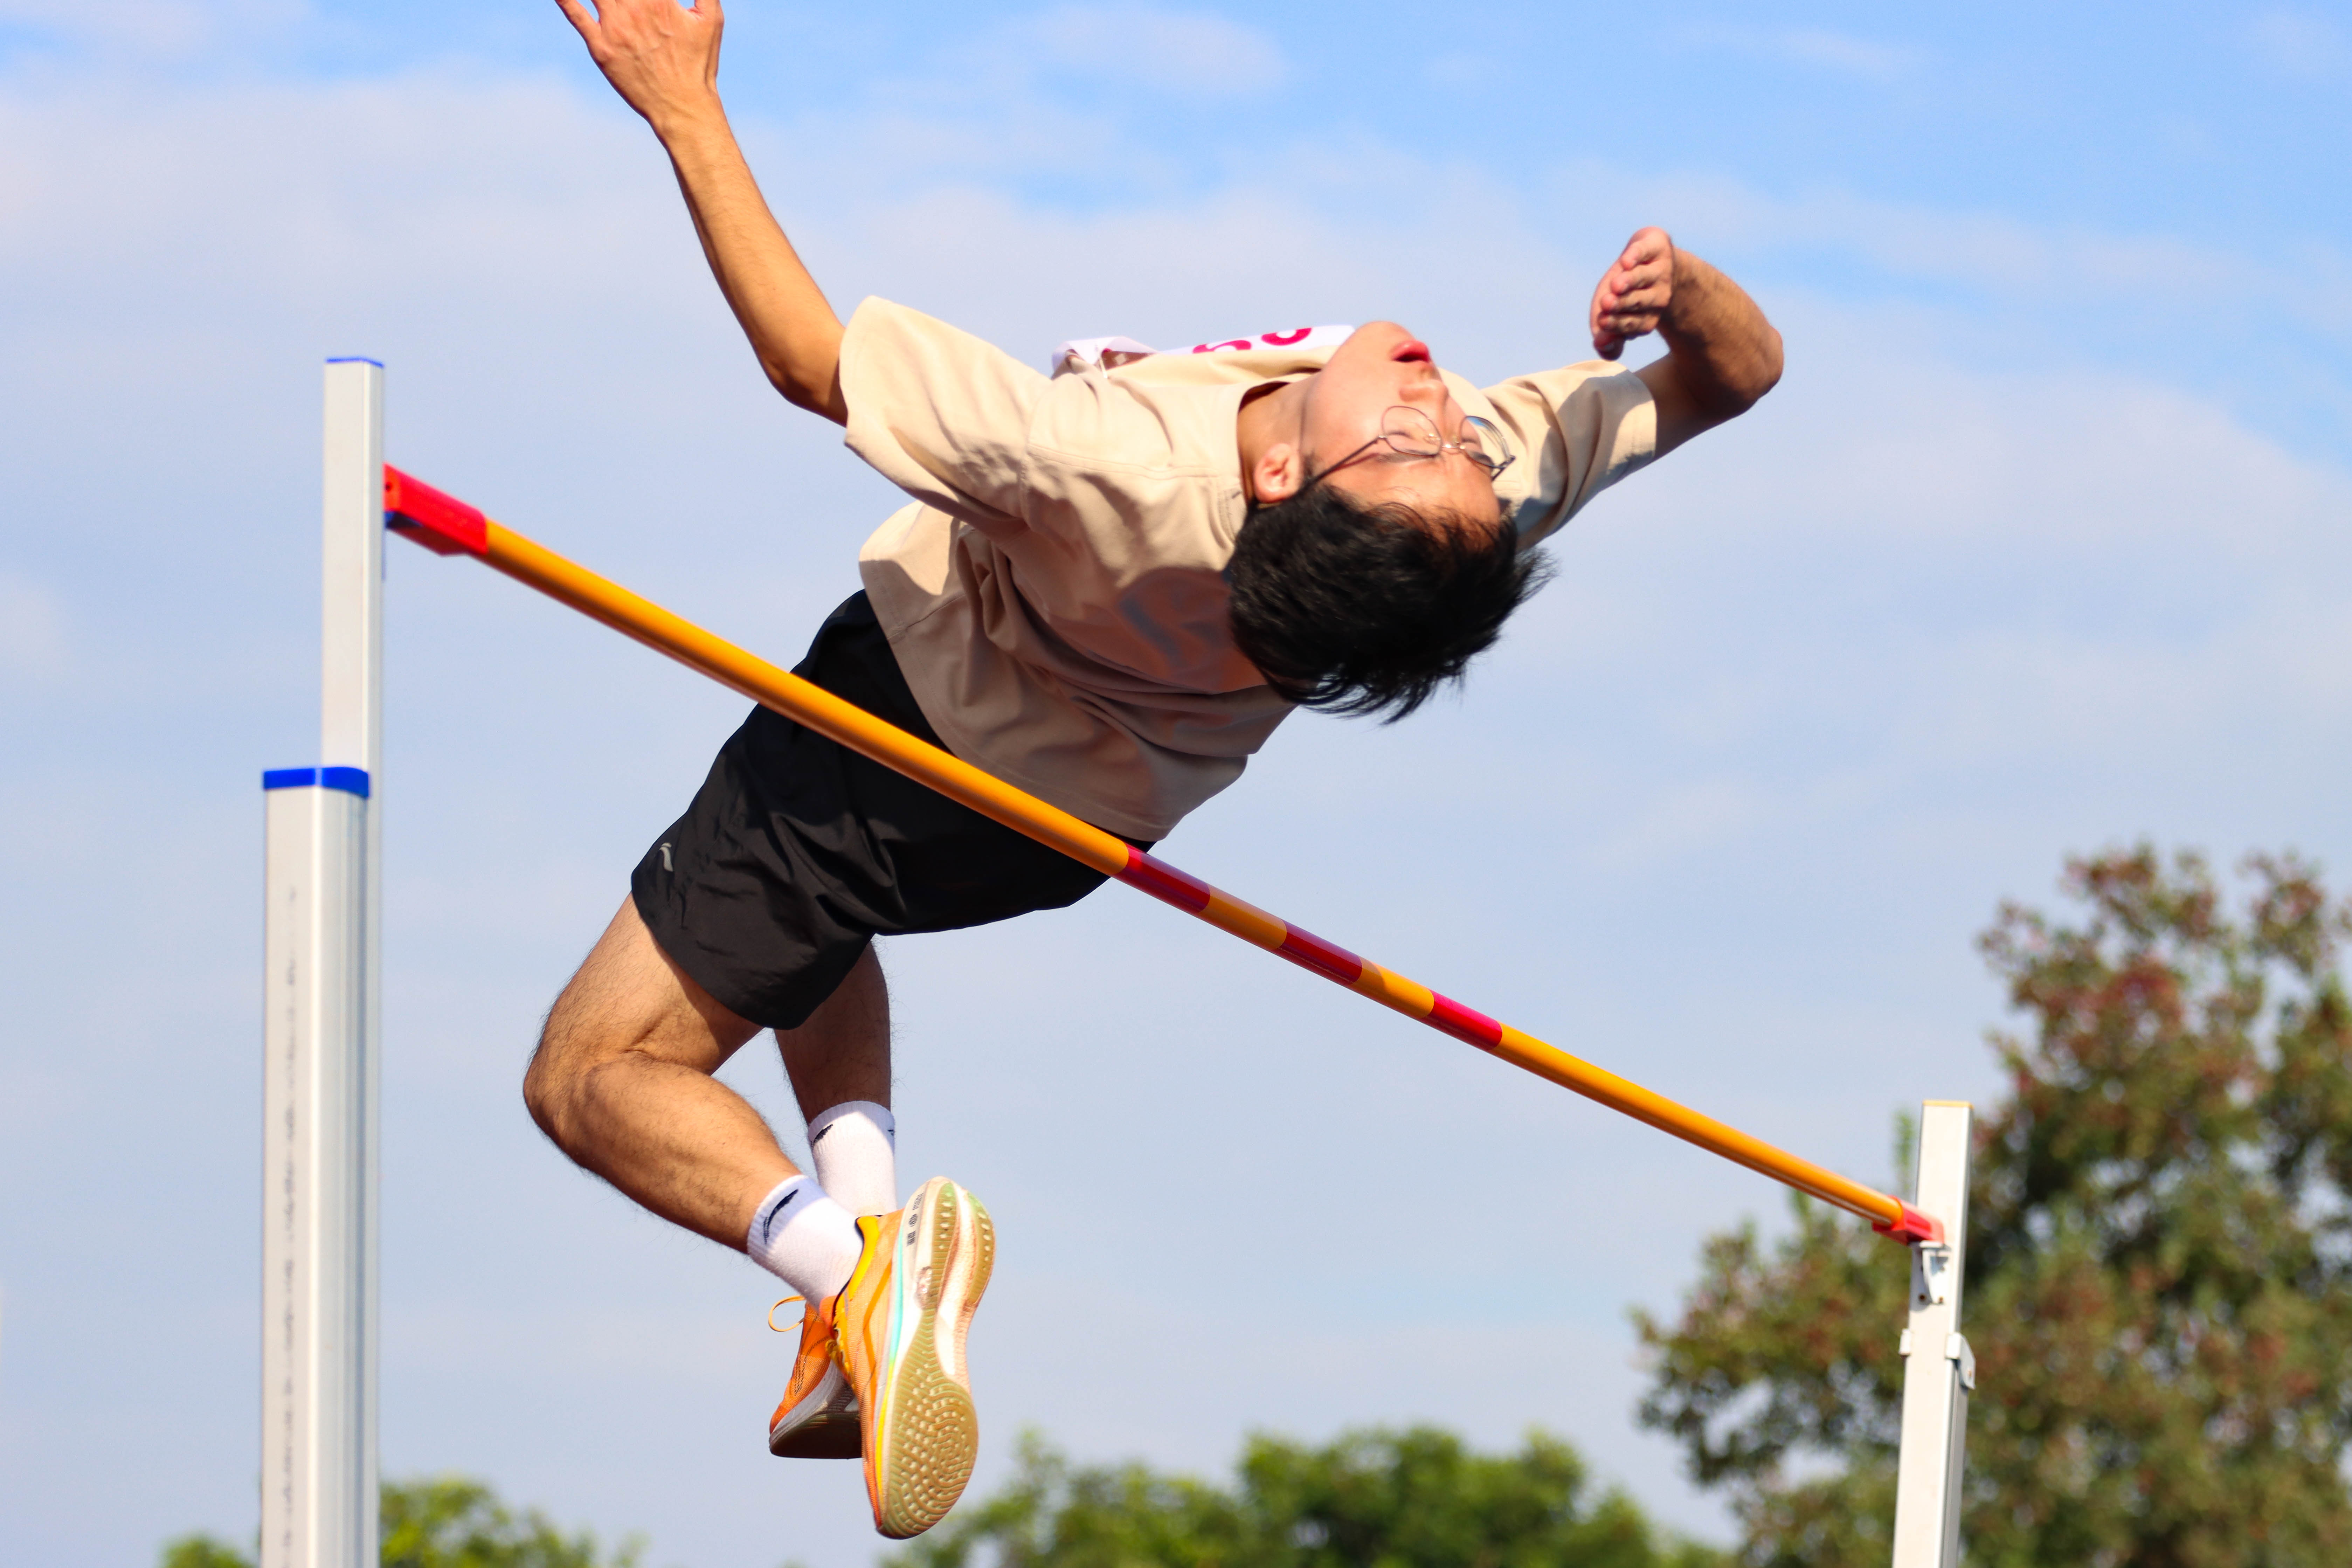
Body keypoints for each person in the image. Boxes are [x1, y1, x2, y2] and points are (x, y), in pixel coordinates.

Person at [530, 0, 1784, 1543]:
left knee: (593, 1073)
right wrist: (1693, 290)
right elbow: (1738, 374)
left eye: (1412, 444)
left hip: (897, 722)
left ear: (1274, 479)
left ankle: (844, 1270)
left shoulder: (1115, 464)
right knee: (814, 929)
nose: (1442, 414)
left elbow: (808, 360)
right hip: (1064, 837)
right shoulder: (1452, 524)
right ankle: (870, 1247)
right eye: (1451, 443)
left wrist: (681, 103)